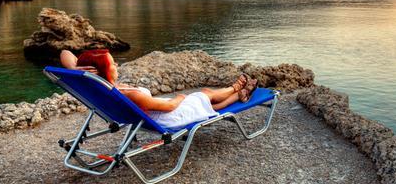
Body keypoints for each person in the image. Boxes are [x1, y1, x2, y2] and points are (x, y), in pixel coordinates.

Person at [64, 49, 258, 130]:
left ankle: (237, 95)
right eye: (113, 64)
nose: (117, 65)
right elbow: (169, 106)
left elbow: (65, 54)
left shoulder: (100, 87)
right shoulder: (127, 94)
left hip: (155, 114)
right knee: (205, 94)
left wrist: (74, 69)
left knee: (207, 101)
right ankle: (236, 87)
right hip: (167, 117)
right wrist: (180, 97)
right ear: (102, 70)